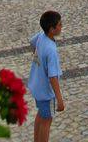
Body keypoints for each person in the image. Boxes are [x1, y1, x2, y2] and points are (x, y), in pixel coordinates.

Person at [27, 10, 64, 139]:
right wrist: (59, 99)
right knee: (46, 122)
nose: (61, 27)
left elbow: (32, 43)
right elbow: (53, 77)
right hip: (47, 92)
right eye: (59, 25)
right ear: (52, 29)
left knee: (41, 115)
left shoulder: (41, 36)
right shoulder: (51, 50)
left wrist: (37, 59)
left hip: (37, 85)